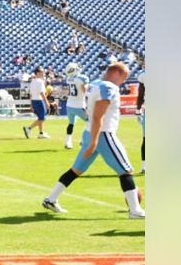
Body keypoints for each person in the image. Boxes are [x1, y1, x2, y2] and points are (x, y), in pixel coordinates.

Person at [41, 62, 145, 219]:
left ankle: (51, 199)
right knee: (125, 170)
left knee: (76, 170)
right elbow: (98, 116)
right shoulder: (108, 88)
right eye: (124, 77)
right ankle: (135, 210)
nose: (124, 81)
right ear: (116, 73)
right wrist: (94, 142)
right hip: (103, 134)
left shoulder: (95, 84)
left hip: (90, 132)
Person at [60, 62, 89, 150]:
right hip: (80, 105)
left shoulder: (69, 78)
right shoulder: (82, 78)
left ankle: (68, 142)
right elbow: (85, 91)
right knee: (91, 122)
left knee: (71, 124)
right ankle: (83, 140)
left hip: (69, 105)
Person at [22, 67, 50, 139]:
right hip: (39, 101)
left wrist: (31, 104)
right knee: (42, 118)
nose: (43, 73)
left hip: (34, 101)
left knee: (40, 118)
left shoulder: (32, 81)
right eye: (42, 71)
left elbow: (31, 94)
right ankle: (29, 128)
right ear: (37, 73)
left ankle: (41, 133)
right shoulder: (40, 81)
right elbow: (42, 93)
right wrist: (46, 101)